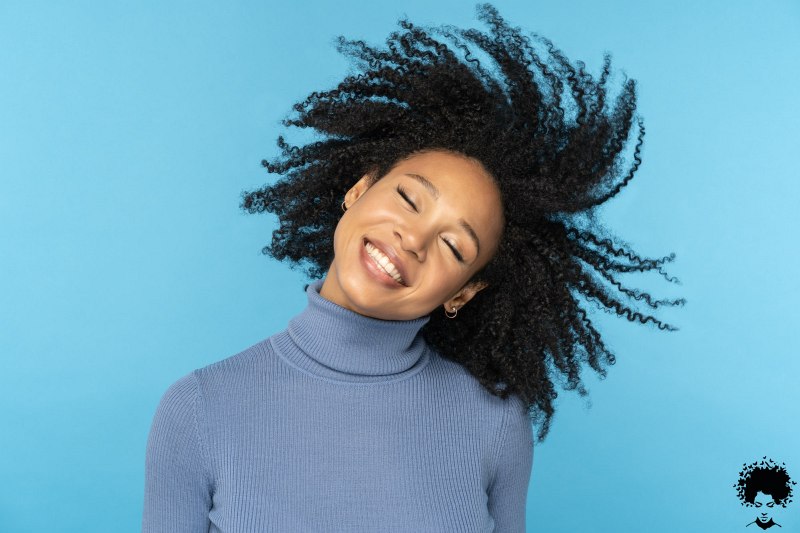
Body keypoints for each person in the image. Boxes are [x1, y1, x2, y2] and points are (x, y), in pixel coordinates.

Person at [142, 3, 683, 531]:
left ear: (464, 293)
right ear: (358, 188)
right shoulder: (199, 408)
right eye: (409, 198)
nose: (414, 239)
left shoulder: (494, 424)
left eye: (453, 246)